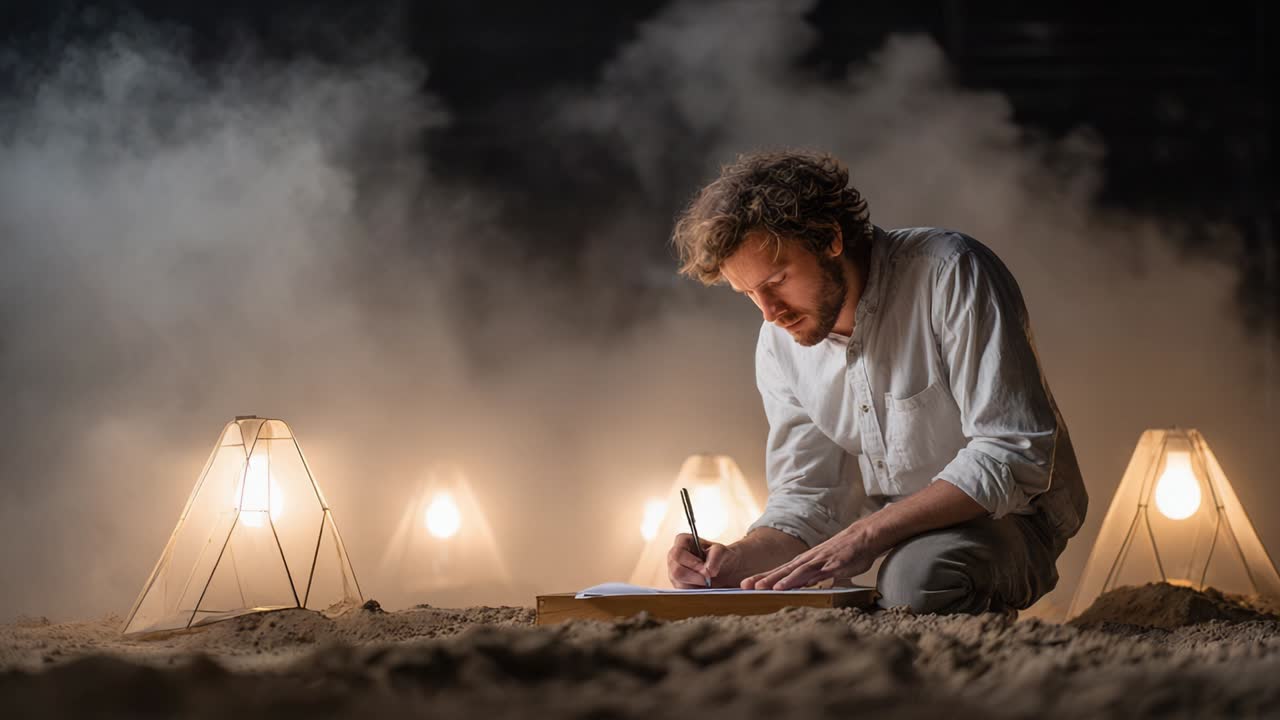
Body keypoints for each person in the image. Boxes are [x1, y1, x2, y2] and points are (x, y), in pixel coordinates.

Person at [665, 150, 1088, 614]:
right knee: (864, 578)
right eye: (748, 294)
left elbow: (1013, 451)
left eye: (779, 280)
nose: (770, 312)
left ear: (830, 239)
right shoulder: (777, 342)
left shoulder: (951, 272)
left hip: (1014, 517)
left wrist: (867, 534)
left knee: (915, 577)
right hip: (892, 537)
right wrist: (733, 562)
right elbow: (809, 499)